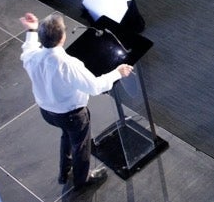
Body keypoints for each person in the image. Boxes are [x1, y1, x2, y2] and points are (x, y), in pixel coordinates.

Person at [19, 12, 133, 191]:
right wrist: (117, 72)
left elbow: (28, 48)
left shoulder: (32, 57)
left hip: (47, 112)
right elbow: (95, 87)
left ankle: (65, 171)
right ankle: (82, 180)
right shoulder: (68, 64)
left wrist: (31, 30)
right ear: (62, 37)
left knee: (67, 135)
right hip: (72, 114)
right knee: (81, 146)